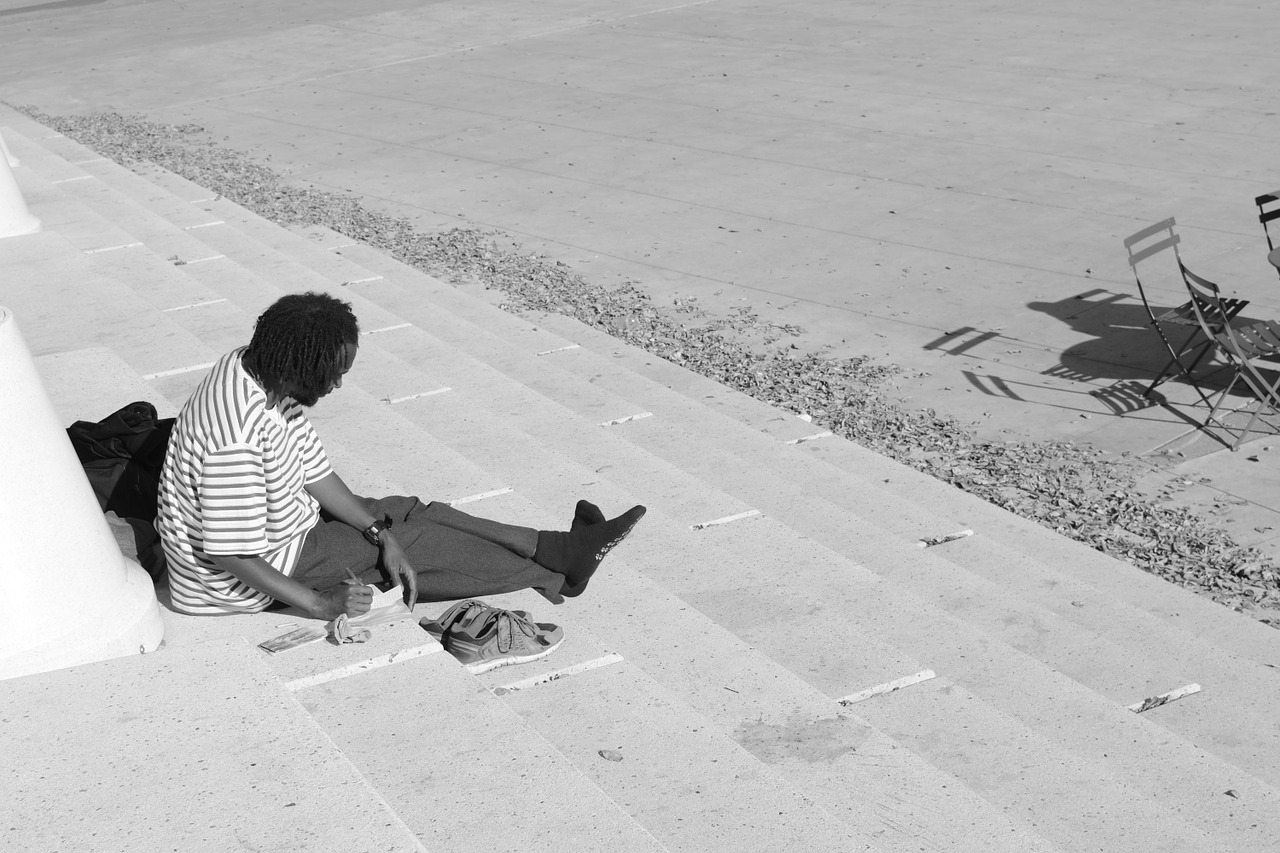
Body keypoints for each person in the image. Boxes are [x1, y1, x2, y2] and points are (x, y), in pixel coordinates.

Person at [155, 291, 645, 619]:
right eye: (334, 373)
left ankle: (555, 546)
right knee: (423, 543)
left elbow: (314, 473)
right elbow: (230, 552)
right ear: (297, 367)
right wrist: (321, 604)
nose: (340, 383)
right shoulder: (234, 438)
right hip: (251, 578)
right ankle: (557, 574)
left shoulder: (259, 368)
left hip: (284, 527)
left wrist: (377, 531)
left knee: (404, 514)